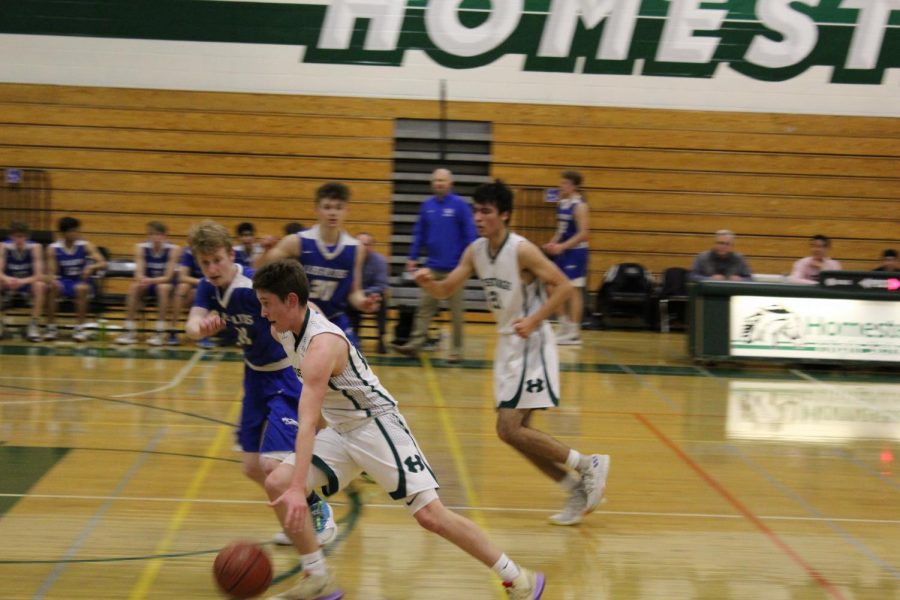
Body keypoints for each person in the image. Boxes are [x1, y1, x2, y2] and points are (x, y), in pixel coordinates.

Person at [253, 259, 546, 600]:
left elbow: (306, 422)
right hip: (343, 430)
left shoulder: (321, 347)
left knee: (430, 515)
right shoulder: (284, 326)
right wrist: (296, 486)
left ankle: (517, 577)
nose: (263, 313)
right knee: (277, 480)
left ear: (290, 300)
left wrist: (299, 491)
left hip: (376, 425)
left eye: (266, 304)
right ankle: (317, 576)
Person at [414, 180, 610, 528]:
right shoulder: (474, 251)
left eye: (486, 211)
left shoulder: (522, 250)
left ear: (503, 215)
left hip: (531, 342)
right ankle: (575, 487)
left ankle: (587, 464)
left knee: (509, 426)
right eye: (476, 210)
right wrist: (429, 283)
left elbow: (564, 286)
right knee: (512, 433)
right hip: (508, 345)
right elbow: (447, 289)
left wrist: (534, 320)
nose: (478, 217)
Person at [182, 221, 336, 549]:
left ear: (231, 254)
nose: (211, 268)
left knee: (273, 463)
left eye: (217, 260)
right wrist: (201, 328)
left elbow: (305, 307)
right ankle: (298, 524)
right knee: (252, 467)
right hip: (254, 376)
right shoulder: (207, 288)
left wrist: (321, 338)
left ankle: (315, 507)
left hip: (283, 375)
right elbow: (191, 325)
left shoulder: (252, 285)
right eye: (204, 262)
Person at [258, 182, 378, 346]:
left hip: (335, 320)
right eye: (327, 207)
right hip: (301, 319)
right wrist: (265, 251)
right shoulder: (297, 242)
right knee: (304, 369)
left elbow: (354, 292)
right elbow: (260, 269)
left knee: (356, 368)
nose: (333, 212)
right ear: (317, 209)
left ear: (346, 211)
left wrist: (363, 302)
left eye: (338, 207)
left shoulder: (356, 249)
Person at [394, 168, 477, 363]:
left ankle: (456, 351)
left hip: (456, 270)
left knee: (456, 312)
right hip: (431, 267)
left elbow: (471, 236)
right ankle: (414, 345)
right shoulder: (427, 206)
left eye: (443, 180)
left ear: (450, 183)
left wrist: (469, 262)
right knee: (424, 308)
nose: (439, 183)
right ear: (433, 183)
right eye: (436, 180)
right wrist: (412, 257)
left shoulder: (460, 206)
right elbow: (419, 234)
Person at [542, 170, 590, 345]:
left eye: (564, 183)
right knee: (551, 286)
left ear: (573, 186)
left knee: (574, 290)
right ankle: (563, 324)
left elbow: (584, 233)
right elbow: (560, 231)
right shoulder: (562, 203)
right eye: (560, 183)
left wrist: (562, 246)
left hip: (576, 253)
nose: (560, 186)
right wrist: (553, 243)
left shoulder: (580, 206)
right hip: (564, 252)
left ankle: (574, 331)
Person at [115, 221, 180, 346]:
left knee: (163, 288)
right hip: (149, 283)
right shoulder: (140, 248)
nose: (154, 237)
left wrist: (149, 280)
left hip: (166, 285)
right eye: (151, 234)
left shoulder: (174, 249)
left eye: (158, 234)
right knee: (135, 286)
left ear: (164, 236)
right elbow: (138, 273)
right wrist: (142, 280)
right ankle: (129, 331)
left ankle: (159, 332)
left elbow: (168, 277)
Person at [45, 217, 106, 342]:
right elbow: (51, 272)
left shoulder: (85, 245)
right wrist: (52, 280)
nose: (77, 233)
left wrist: (91, 267)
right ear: (64, 233)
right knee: (52, 287)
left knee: (81, 288)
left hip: (81, 280)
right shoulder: (53, 248)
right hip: (64, 280)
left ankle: (80, 329)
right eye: (73, 231)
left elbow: (103, 263)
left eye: (77, 230)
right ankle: (51, 328)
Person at [0, 221, 46, 341]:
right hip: (9, 281)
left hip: (27, 283)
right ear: (11, 236)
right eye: (16, 236)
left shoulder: (35, 247)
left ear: (26, 236)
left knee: (40, 285)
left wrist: (22, 281)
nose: (19, 239)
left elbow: (39, 275)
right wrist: (7, 279)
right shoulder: (3, 247)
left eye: (22, 236)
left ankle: (33, 325)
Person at [347, 232, 390, 354]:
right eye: (360, 244)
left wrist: (362, 294)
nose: (363, 247)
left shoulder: (380, 261)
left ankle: (381, 338)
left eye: (366, 244)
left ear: (372, 246)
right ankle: (353, 337)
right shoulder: (348, 260)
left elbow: (381, 285)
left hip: (371, 294)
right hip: (352, 295)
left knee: (381, 301)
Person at [173, 245, 213, 348]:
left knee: (202, 293)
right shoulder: (188, 252)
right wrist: (201, 283)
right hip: (197, 285)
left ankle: (204, 334)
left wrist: (203, 285)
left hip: (211, 285)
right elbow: (182, 277)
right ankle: (173, 331)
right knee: (182, 288)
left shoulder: (212, 251)